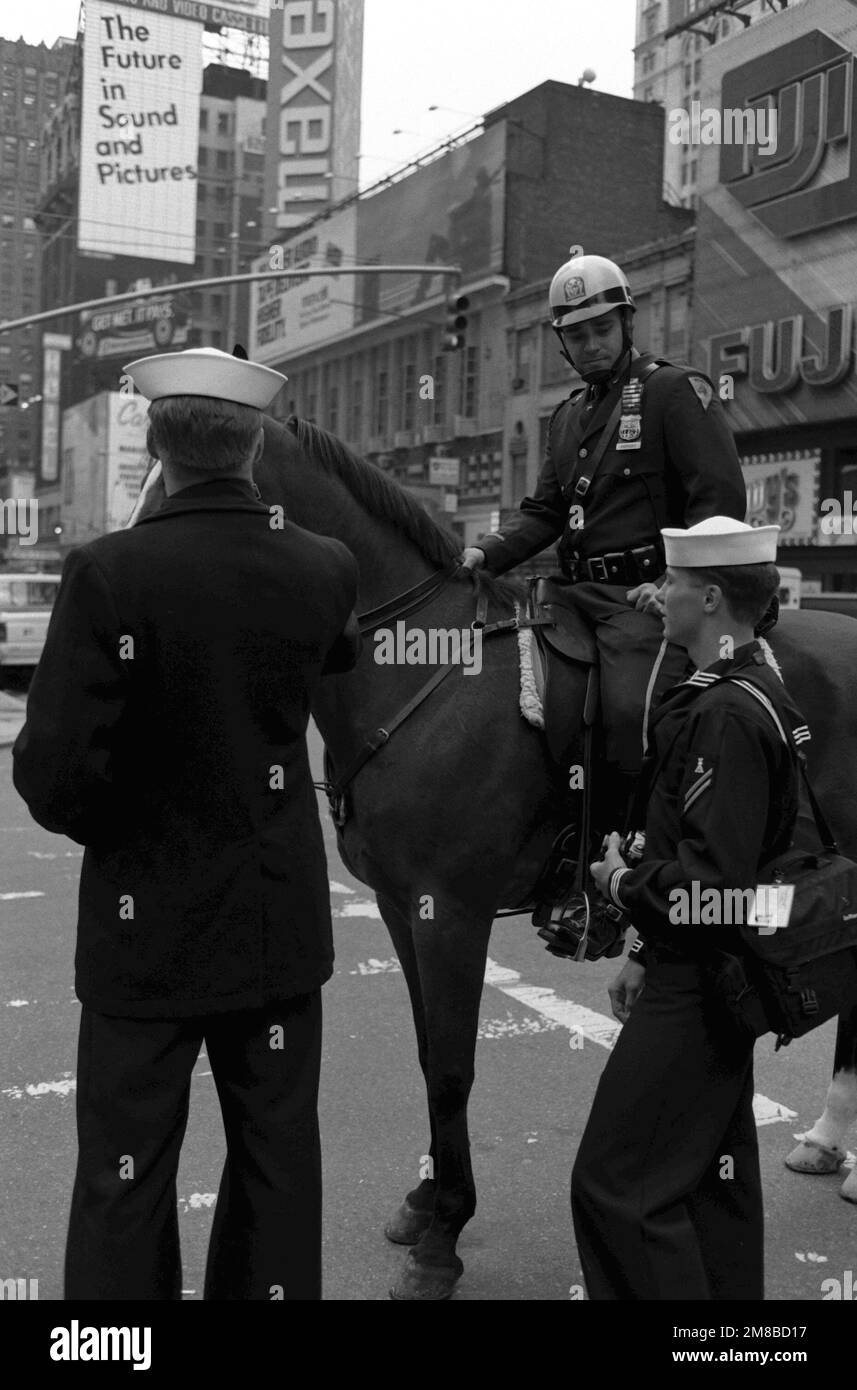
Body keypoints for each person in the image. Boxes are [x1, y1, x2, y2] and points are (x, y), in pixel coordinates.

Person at [12, 346, 361, 1301]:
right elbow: (334, 660)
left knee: (125, 1171)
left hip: (143, 929)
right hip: (272, 923)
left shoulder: (107, 572)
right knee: (277, 1163)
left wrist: (125, 831)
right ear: (254, 444)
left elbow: (50, 772)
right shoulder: (325, 566)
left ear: (158, 446)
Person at [572, 515, 807, 1300]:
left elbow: (714, 886)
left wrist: (618, 886)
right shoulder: (737, 688)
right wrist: (642, 947)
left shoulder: (725, 714)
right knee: (711, 1182)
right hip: (702, 973)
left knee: (617, 1186)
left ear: (708, 596)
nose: (658, 592)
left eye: (670, 582)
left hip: (702, 988)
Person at [461, 249, 747, 793]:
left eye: (601, 329)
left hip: (645, 599)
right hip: (575, 593)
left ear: (626, 323)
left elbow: (721, 500)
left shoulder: (673, 390)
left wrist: (675, 585)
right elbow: (545, 513)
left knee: (629, 712)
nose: (591, 344)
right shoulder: (567, 416)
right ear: (561, 343)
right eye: (578, 335)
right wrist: (486, 552)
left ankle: (643, 845)